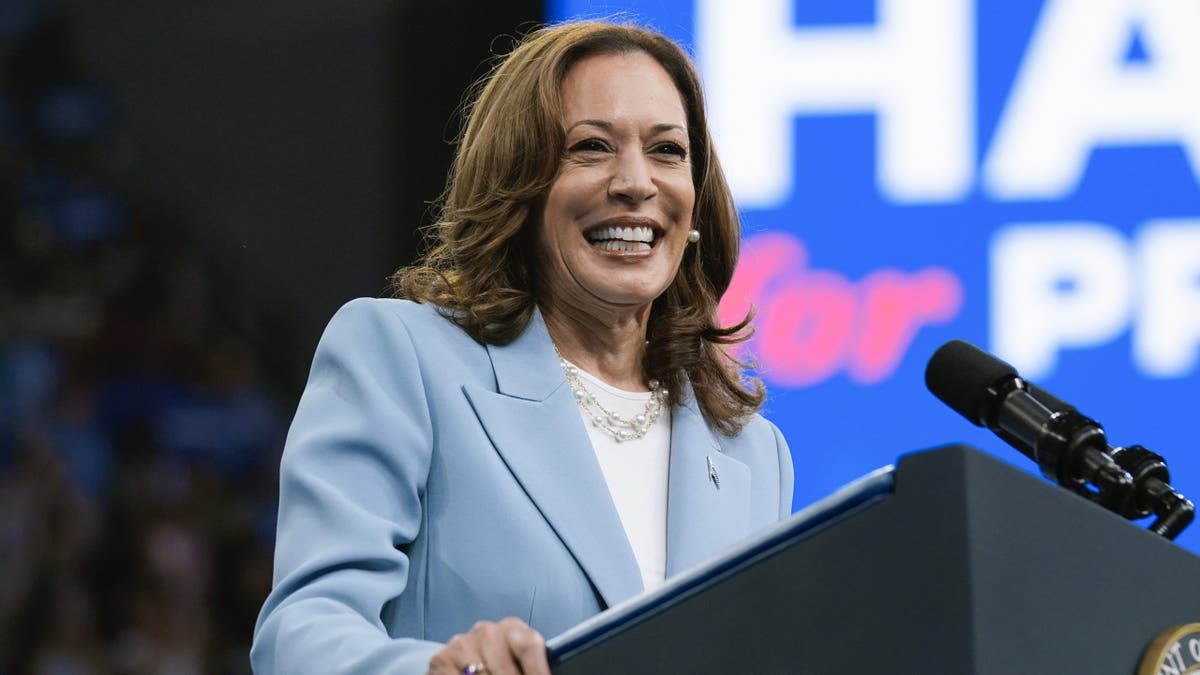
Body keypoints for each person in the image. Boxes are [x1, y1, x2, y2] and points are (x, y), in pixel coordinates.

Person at [251, 20, 794, 675]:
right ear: (520, 185)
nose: (635, 182)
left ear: (696, 202)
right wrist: (441, 671)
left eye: (667, 151)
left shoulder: (752, 454)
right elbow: (301, 634)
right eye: (592, 147)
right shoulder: (402, 358)